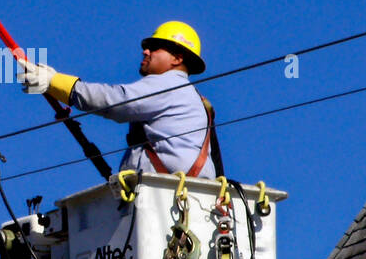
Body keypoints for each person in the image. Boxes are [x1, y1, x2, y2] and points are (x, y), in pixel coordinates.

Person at [18, 21, 220, 178]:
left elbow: (116, 101)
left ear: (177, 59)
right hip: (180, 201)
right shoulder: (193, 98)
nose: (145, 51)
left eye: (155, 47)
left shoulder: (170, 85)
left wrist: (54, 82)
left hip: (167, 200)